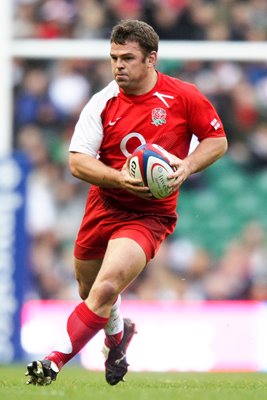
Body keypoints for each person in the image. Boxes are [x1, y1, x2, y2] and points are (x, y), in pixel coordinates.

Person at [25, 19, 228, 386]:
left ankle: (53, 361)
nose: (118, 65)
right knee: (90, 292)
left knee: (105, 288)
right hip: (104, 205)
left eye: (128, 58)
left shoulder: (183, 96)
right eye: (114, 57)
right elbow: (76, 161)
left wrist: (186, 167)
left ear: (151, 59)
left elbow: (217, 140)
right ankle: (118, 339)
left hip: (149, 214)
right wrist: (119, 177)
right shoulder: (101, 102)